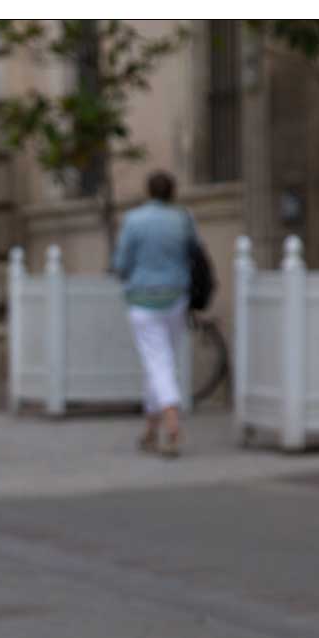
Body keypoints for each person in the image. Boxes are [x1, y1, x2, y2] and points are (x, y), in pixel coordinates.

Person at [113, 172, 196, 458]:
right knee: (160, 361)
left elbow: (122, 262)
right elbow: (192, 253)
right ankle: (151, 429)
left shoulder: (134, 220)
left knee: (158, 362)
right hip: (175, 296)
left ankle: (171, 422)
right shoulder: (183, 218)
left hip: (142, 299)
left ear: (148, 191)